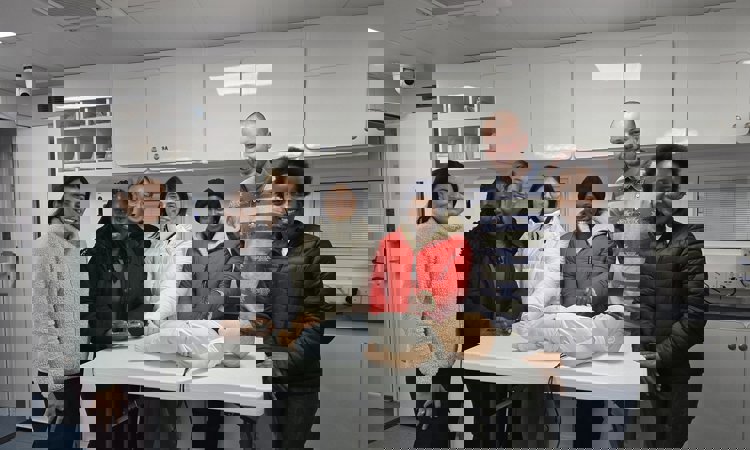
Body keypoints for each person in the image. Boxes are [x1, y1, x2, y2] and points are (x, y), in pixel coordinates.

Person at [234, 156, 335, 449]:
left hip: (298, 376)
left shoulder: (310, 246)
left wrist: (278, 366)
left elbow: (317, 318)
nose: (288, 205)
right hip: (253, 373)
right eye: (279, 198)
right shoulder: (248, 247)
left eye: (294, 198)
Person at [368, 161, 469, 448]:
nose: (448, 202)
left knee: (440, 425)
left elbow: (448, 301)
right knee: (431, 427)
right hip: (427, 354)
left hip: (444, 349)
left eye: (453, 196)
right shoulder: (418, 240)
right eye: (441, 195)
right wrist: (428, 366)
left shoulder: (445, 240)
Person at [633, 144, 706, 448]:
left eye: (667, 185)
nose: (659, 194)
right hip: (631, 370)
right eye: (653, 185)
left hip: (669, 372)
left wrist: (659, 356)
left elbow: (695, 316)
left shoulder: (686, 242)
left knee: (665, 440)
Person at [32, 176, 89, 449]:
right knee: (61, 439)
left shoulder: (78, 245)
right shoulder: (44, 247)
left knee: (76, 436)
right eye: (73, 196)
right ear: (58, 201)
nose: (79, 203)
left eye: (83, 197)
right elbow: (42, 318)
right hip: (58, 368)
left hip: (80, 363)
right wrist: (55, 381)